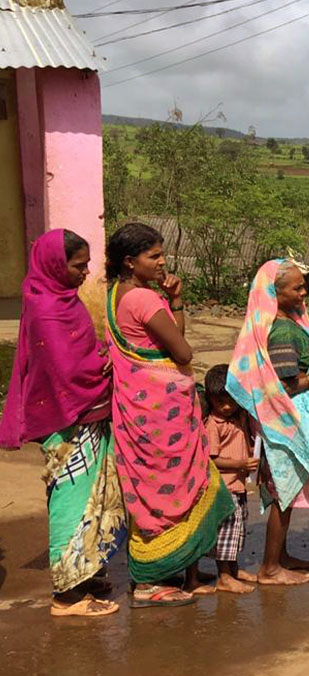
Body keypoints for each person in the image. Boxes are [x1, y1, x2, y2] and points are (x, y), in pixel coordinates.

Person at [103, 222, 233, 607]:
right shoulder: (143, 300)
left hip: (141, 412)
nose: (163, 262)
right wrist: (172, 303)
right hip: (161, 418)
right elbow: (183, 352)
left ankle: (170, 571)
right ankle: (149, 582)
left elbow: (164, 339)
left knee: (152, 491)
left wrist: (173, 301)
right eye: (153, 256)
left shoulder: (116, 296)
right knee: (170, 493)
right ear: (130, 262)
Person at [0, 229, 125, 617]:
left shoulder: (64, 300)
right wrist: (101, 366)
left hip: (88, 415)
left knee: (94, 497)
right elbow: (62, 369)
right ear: (56, 264)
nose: (84, 273)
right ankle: (65, 596)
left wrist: (100, 354)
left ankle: (83, 574)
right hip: (66, 419)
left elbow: (81, 350)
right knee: (71, 501)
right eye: (77, 265)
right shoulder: (45, 308)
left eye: (87, 265)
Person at [228, 259, 309, 586]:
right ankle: (269, 567)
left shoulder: (288, 322)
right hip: (286, 423)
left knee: (287, 493)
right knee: (283, 493)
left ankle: (281, 556)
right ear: (273, 293)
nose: (304, 292)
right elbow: (284, 385)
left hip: (289, 420)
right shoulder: (280, 331)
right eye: (296, 288)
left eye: (303, 285)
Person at [202, 365, 258, 594]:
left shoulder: (238, 418)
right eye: (220, 402)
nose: (226, 407)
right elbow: (211, 460)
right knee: (226, 532)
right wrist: (240, 464)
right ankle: (224, 576)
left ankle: (232, 570)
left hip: (239, 484)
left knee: (237, 530)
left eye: (230, 401)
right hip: (224, 487)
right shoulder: (214, 425)